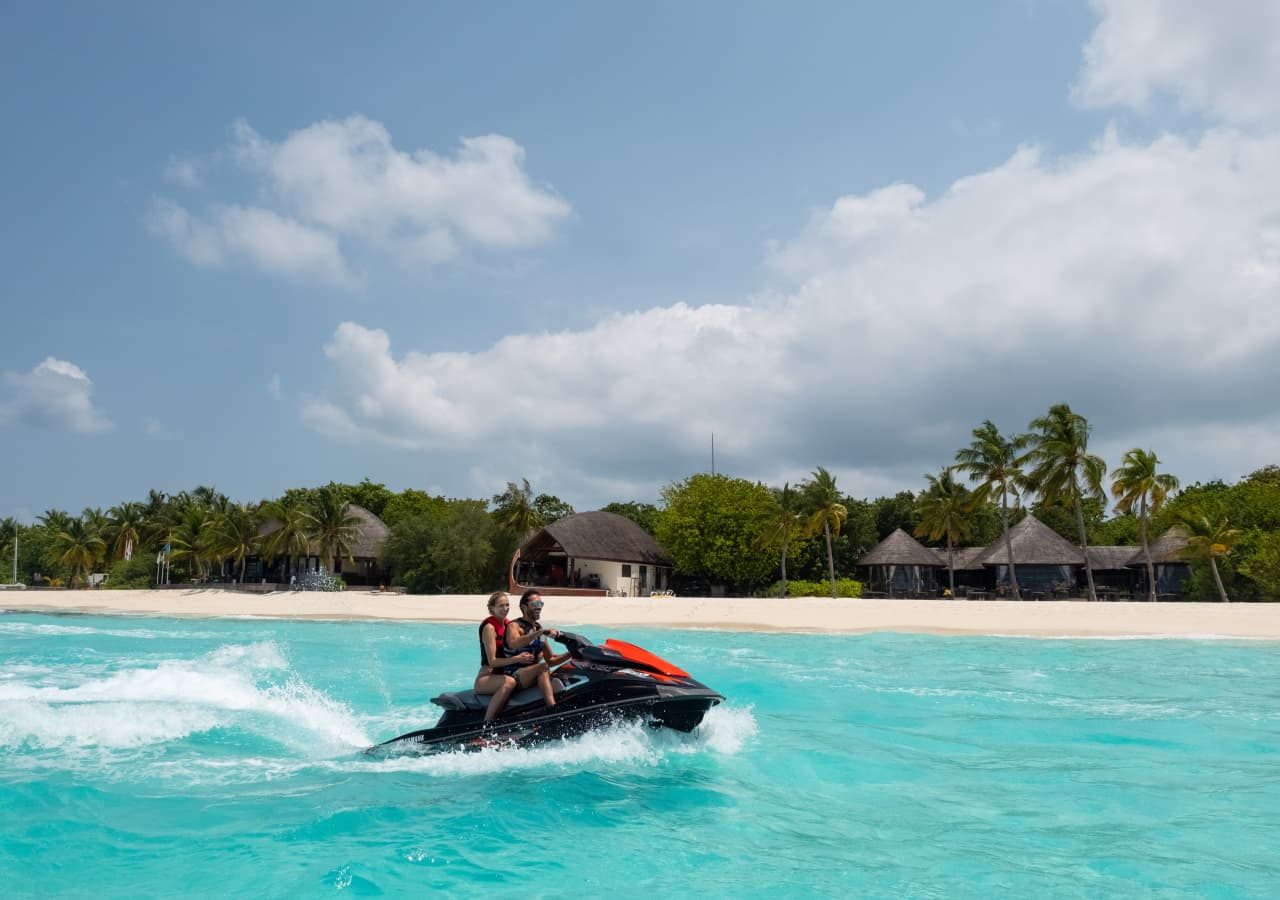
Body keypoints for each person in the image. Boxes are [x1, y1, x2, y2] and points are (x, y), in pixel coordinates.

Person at [474, 590, 550, 723]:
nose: (505, 608)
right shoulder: (489, 628)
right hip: (487, 677)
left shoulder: (507, 625)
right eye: (501, 606)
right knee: (510, 682)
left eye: (507, 605)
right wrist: (517, 659)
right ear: (492, 608)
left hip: (503, 673)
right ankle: (487, 723)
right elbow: (492, 662)